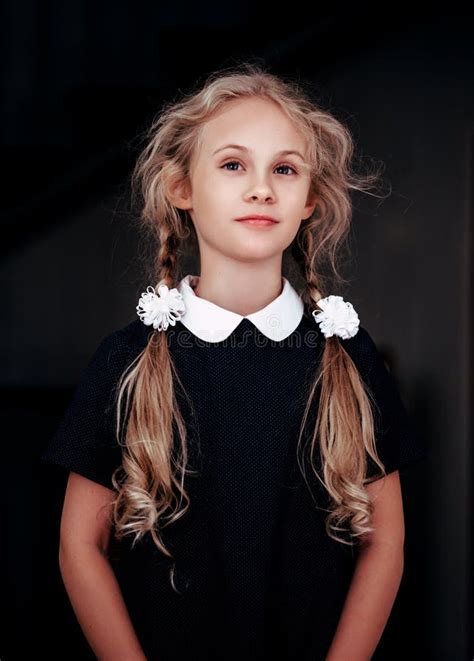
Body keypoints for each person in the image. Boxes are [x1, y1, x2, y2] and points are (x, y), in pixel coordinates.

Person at [41, 62, 428, 661]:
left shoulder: (347, 358)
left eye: (284, 169)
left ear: (310, 202)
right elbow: (77, 546)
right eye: (232, 165)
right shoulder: (128, 361)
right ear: (181, 189)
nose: (261, 188)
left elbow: (388, 543)